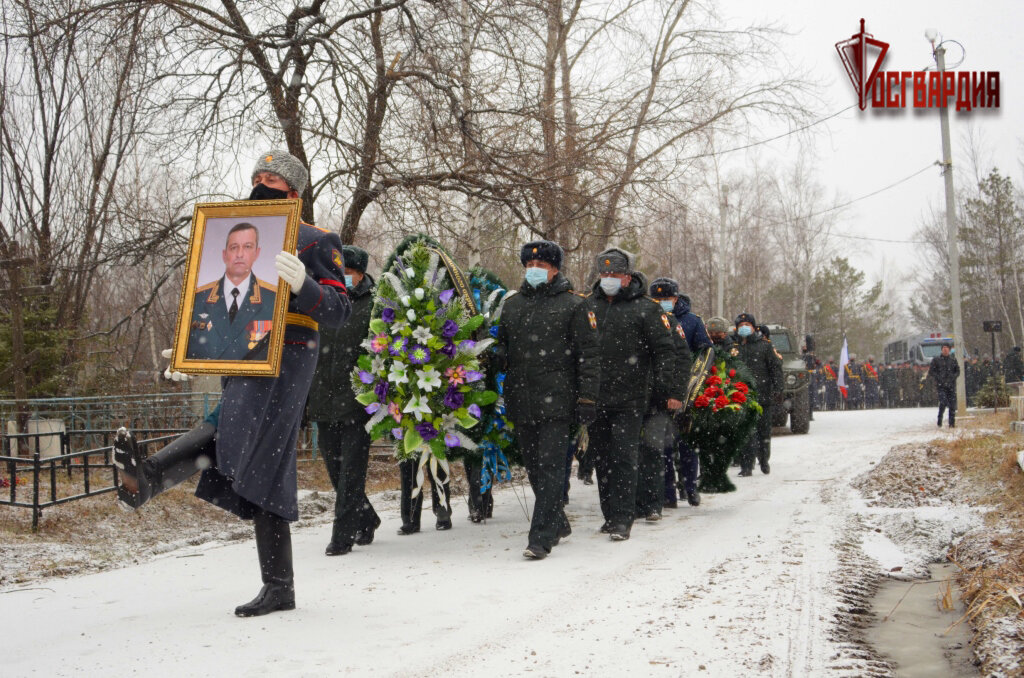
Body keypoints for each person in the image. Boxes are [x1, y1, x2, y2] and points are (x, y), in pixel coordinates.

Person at [113, 149, 351, 617]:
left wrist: (306, 283)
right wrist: (191, 349)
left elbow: (339, 312)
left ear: (294, 191)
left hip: (290, 354)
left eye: (274, 178)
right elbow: (222, 301)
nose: (263, 182)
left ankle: (151, 478)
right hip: (244, 354)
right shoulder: (233, 235)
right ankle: (278, 586)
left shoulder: (317, 240)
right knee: (256, 450)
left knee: (247, 441)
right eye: (258, 175)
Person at [495, 240, 600, 559]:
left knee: (552, 467)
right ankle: (557, 521)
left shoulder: (574, 305)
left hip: (559, 400)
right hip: (522, 399)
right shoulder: (512, 305)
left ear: (555, 269)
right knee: (535, 469)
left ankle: (540, 538)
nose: (534, 271)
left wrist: (587, 398)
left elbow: (589, 355)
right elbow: (503, 344)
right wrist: (496, 357)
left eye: (541, 266)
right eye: (529, 266)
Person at [587, 247, 680, 541]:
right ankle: (609, 514)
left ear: (627, 277)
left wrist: (667, 391)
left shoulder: (647, 310)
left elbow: (667, 353)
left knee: (624, 457)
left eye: (614, 273)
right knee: (601, 457)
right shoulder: (589, 306)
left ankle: (623, 518)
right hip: (596, 396)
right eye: (604, 274)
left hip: (632, 397)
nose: (609, 278)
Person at [307, 245, 380, 556]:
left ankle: (342, 535)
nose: (342, 278)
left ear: (360, 273)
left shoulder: (374, 307)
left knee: (351, 471)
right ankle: (367, 518)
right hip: (323, 400)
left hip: (357, 403)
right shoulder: (323, 305)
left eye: (347, 272)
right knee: (336, 472)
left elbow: (380, 354)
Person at [648, 278, 705, 508]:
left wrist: (695, 379)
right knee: (663, 446)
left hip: (686, 389)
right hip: (659, 390)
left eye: (667, 299)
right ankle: (668, 493)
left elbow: (704, 351)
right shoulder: (649, 320)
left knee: (687, 444)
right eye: (658, 299)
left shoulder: (692, 321)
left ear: (676, 299)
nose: (662, 302)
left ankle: (690, 487)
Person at [187, 222, 277, 360]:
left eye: (247, 247)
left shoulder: (274, 300)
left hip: (253, 380)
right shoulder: (197, 299)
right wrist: (181, 359)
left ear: (256, 253)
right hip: (207, 380)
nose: (240, 254)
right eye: (234, 247)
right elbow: (194, 350)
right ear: (224, 254)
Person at [732, 313, 782, 476]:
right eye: (741, 325)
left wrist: (778, 388)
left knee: (763, 431)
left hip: (762, 395)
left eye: (747, 324)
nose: (744, 327)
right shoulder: (734, 347)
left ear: (754, 327)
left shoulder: (764, 346)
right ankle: (746, 466)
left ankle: (764, 460)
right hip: (741, 396)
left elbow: (775, 368)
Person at [927, 342, 959, 427]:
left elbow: (957, 371)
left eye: (946, 348)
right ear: (941, 349)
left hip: (951, 385)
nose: (945, 349)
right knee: (943, 402)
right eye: (943, 348)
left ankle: (951, 423)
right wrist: (938, 378)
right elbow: (931, 371)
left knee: (952, 405)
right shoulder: (936, 360)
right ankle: (940, 418)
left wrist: (953, 377)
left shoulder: (953, 360)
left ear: (949, 349)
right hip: (941, 386)